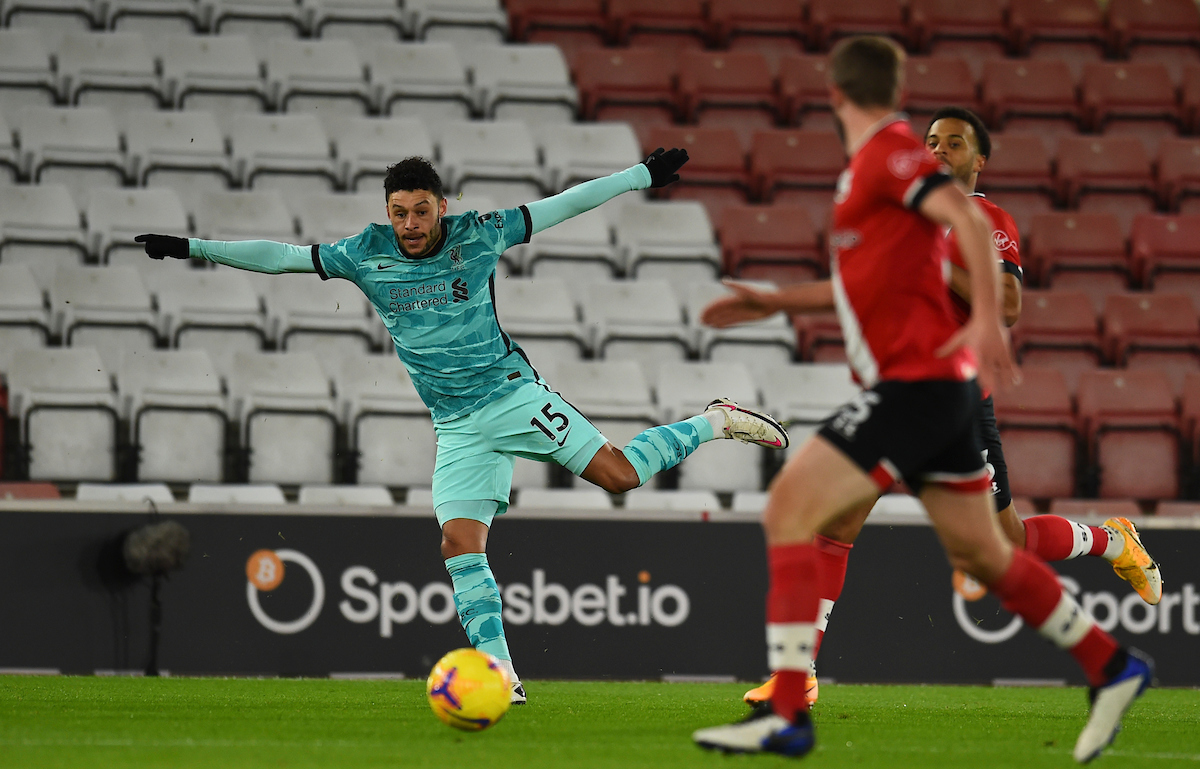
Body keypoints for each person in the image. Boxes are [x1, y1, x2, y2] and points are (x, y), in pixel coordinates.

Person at [135, 150, 790, 706]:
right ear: (387, 211)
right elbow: (281, 257)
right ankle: (500, 673)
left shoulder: (480, 234)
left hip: (512, 395)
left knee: (619, 475)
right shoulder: (364, 254)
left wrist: (638, 177)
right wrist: (191, 247)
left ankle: (713, 420)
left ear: (440, 207)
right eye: (399, 212)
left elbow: (562, 204)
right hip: (455, 424)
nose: (410, 224)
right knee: (458, 544)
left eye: (421, 210)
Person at [690, 37, 1152, 763]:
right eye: (933, 139)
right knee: (987, 552)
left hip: (919, 386)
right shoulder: (873, 184)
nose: (936, 149)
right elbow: (864, 285)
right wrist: (774, 302)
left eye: (952, 142)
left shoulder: (890, 158)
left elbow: (974, 237)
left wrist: (976, 315)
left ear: (834, 95)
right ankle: (1113, 664)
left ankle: (788, 704)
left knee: (792, 508)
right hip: (936, 395)